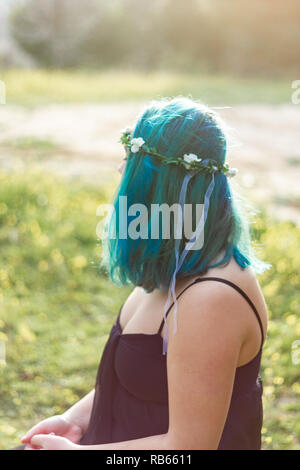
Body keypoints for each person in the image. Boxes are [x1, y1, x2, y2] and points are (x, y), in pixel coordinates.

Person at [15, 97, 269, 450]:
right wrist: (74, 419)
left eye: (131, 162)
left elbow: (189, 448)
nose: (121, 171)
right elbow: (146, 379)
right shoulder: (177, 263)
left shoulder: (212, 299)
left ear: (157, 183)